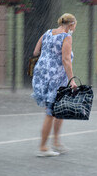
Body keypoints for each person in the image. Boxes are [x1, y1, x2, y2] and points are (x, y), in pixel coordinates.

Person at [32, 13, 77, 157]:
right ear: (71, 25)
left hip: (42, 74)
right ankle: (43, 147)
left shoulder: (47, 33)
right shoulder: (66, 37)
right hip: (56, 77)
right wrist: (72, 80)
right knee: (50, 112)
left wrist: (49, 56)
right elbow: (66, 60)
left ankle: (56, 142)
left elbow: (36, 51)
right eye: (74, 26)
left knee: (59, 109)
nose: (74, 29)